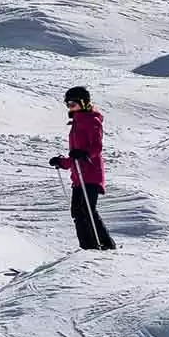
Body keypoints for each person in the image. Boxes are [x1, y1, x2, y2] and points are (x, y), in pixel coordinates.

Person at [48, 86, 116, 250]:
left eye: (73, 104)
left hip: (91, 174)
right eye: (68, 104)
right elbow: (75, 155)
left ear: (84, 102)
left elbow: (96, 147)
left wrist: (84, 153)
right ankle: (87, 247)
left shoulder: (92, 120)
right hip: (78, 176)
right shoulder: (76, 123)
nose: (70, 107)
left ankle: (105, 245)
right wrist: (62, 162)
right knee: (77, 212)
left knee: (87, 210)